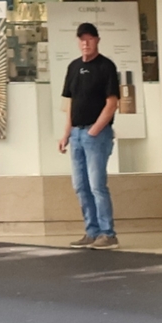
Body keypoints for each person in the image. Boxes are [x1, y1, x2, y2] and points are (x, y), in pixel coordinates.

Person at [58, 22, 121, 247]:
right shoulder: (73, 67)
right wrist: (66, 133)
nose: (85, 43)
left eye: (90, 39)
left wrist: (95, 129)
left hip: (96, 135)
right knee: (80, 185)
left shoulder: (106, 67)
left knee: (97, 185)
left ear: (97, 40)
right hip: (76, 134)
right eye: (82, 39)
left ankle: (108, 233)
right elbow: (71, 104)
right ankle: (91, 231)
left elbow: (112, 103)